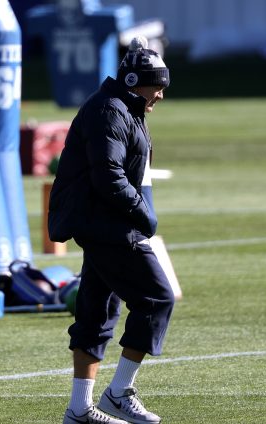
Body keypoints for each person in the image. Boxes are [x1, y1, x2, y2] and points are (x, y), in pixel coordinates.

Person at [49, 36, 175, 424]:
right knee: (157, 298)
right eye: (158, 86)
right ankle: (118, 393)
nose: (160, 96)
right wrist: (144, 216)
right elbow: (109, 176)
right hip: (107, 224)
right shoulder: (110, 110)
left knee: (97, 312)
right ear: (136, 80)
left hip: (101, 222)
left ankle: (78, 410)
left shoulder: (125, 107)